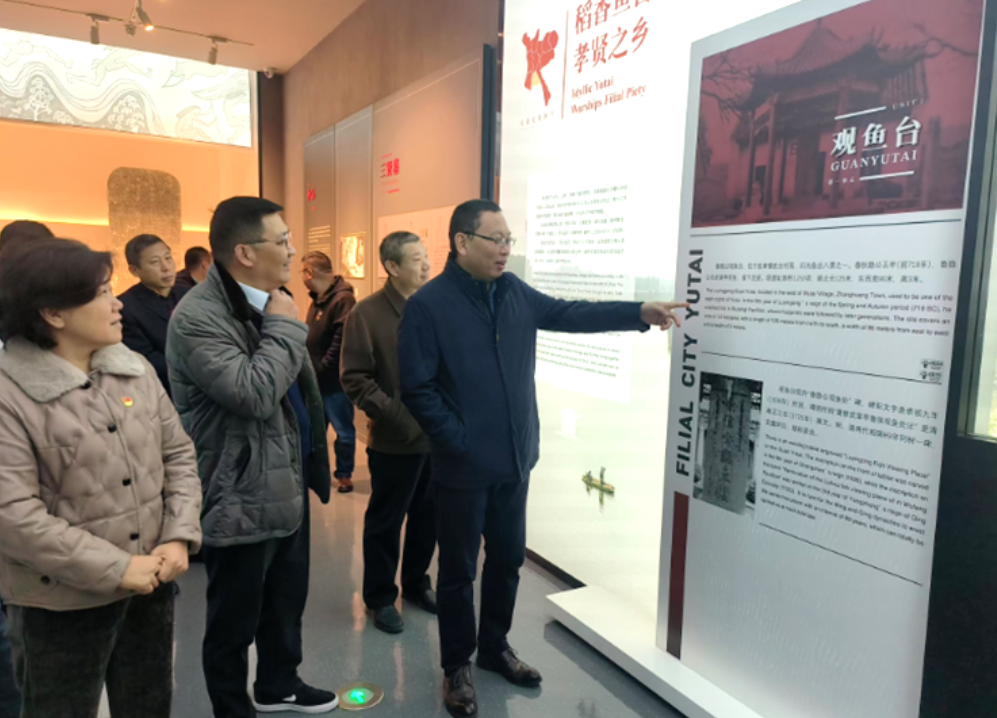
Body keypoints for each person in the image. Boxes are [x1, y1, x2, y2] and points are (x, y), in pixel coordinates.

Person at [398, 200, 686, 718]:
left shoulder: (514, 292)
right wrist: (458, 439)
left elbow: (570, 313)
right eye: (496, 239)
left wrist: (637, 313)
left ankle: (494, 648)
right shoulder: (429, 305)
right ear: (462, 242)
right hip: (463, 469)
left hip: (514, 462)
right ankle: (457, 665)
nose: (506, 249)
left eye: (510, 240)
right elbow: (417, 388)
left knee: (508, 560)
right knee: (459, 572)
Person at [0, 237, 202, 718]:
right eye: (102, 293)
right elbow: (13, 514)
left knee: (149, 702)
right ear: (53, 313)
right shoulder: (10, 393)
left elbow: (178, 455)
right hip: (61, 601)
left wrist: (178, 535)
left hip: (151, 582)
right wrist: (117, 568)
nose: (118, 304)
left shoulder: (133, 369)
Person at [166, 197, 337, 717]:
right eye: (281, 241)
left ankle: (278, 684)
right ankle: (231, 709)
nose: (292, 251)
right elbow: (254, 393)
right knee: (233, 620)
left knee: (286, 598)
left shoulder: (271, 299)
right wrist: (285, 327)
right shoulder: (198, 317)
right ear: (244, 252)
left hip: (285, 478)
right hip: (237, 488)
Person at [340, 232, 436, 634]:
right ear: (392, 267)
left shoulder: (434, 306)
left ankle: (416, 583)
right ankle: (379, 596)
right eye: (416, 259)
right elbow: (355, 379)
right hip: (395, 441)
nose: (426, 265)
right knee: (386, 521)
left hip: (437, 437)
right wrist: (398, 416)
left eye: (426, 256)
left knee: (428, 518)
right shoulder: (367, 314)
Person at [302, 251, 357, 493]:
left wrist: (324, 366)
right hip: (315, 380)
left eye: (302, 272)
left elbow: (341, 339)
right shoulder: (318, 300)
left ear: (309, 273)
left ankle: (344, 474)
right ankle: (315, 472)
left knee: (343, 432)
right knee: (315, 431)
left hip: (334, 382)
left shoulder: (343, 300)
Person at [119, 234, 188, 397]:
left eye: (168, 258)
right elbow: (146, 359)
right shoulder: (125, 307)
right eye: (155, 262)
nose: (166, 267)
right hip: (165, 392)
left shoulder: (189, 294)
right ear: (135, 270)